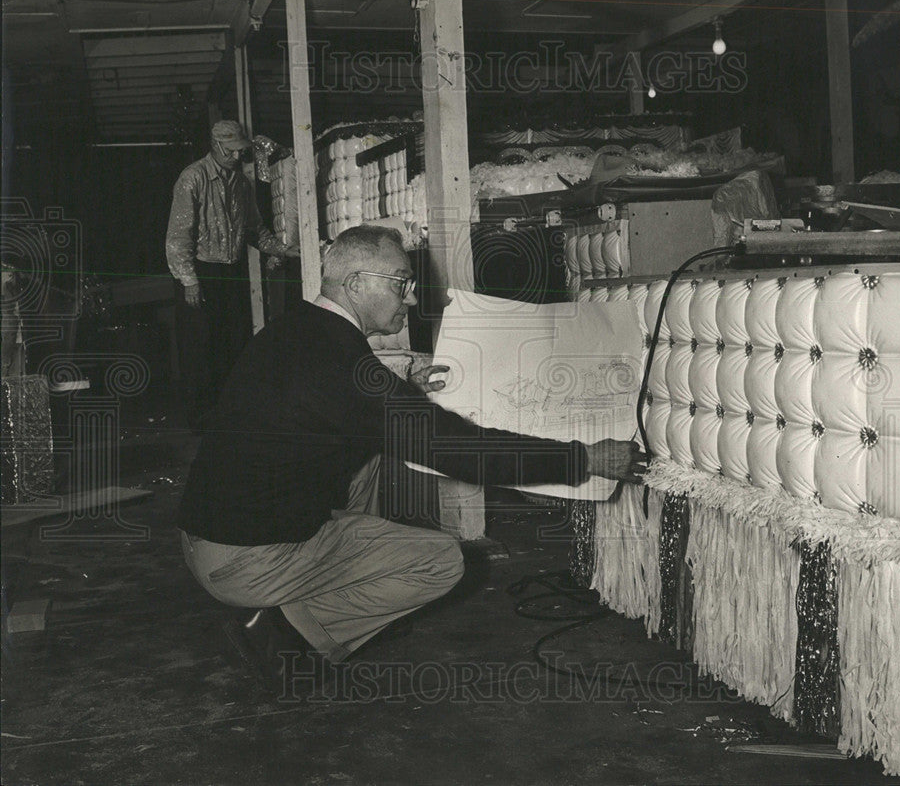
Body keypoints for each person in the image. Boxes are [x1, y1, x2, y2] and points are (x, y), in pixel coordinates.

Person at [177, 224, 648, 690]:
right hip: (246, 563)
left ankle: (328, 577)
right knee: (441, 561)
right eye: (400, 283)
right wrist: (582, 459)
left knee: (369, 457)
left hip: (206, 535)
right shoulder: (353, 372)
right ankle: (284, 635)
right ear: (356, 284)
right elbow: (464, 452)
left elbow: (329, 398)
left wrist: (402, 391)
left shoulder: (295, 329)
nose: (410, 297)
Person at [165, 119, 295, 432]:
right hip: (200, 272)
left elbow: (254, 230)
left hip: (229, 271)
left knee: (231, 342)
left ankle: (226, 414)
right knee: (199, 347)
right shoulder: (192, 178)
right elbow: (178, 236)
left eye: (242, 151)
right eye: (233, 151)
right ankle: (199, 419)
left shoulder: (240, 184)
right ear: (217, 146)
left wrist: (280, 249)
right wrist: (189, 281)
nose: (238, 157)